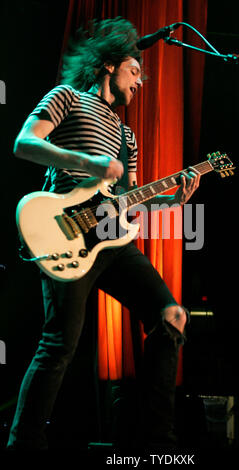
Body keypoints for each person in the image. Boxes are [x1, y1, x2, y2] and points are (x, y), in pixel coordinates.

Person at [7, 17, 200, 449]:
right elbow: (24, 143)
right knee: (58, 346)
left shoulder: (127, 134)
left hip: (112, 242)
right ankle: (24, 444)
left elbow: (128, 199)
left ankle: (156, 440)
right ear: (110, 64)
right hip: (63, 232)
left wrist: (173, 201)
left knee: (171, 316)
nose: (141, 82)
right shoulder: (68, 97)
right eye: (136, 71)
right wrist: (92, 164)